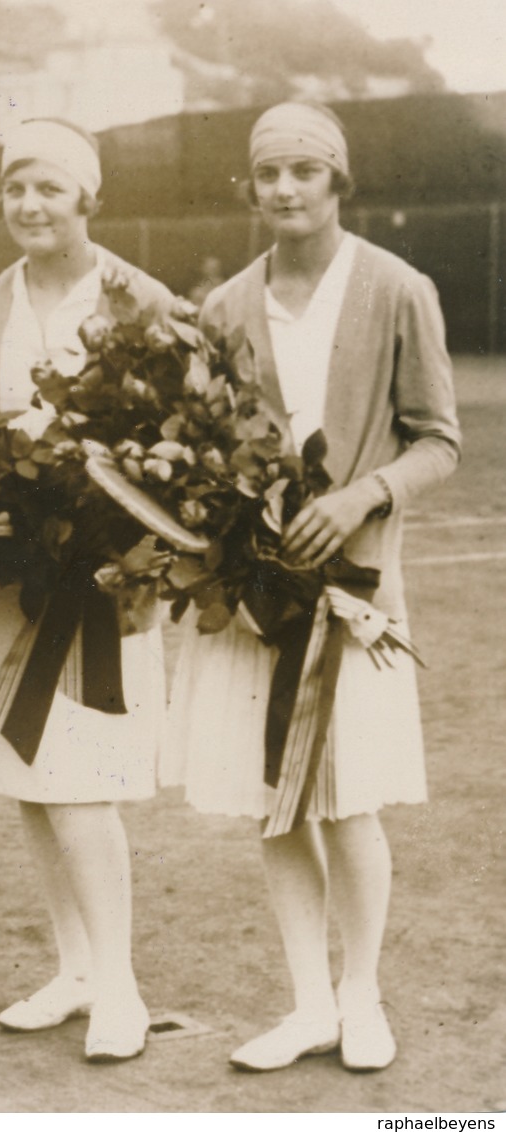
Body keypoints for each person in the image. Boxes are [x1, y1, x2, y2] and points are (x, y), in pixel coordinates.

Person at [161, 101, 461, 1074]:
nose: (283, 188)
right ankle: (304, 1004)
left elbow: (437, 441)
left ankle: (359, 994)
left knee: (347, 801)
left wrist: (361, 495)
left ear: (336, 180)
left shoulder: (397, 286)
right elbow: (205, 449)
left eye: (303, 170)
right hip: (254, 595)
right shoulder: (220, 308)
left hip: (356, 593)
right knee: (275, 802)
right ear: (246, 187)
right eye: (267, 172)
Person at [0, 118, 173, 1062]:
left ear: (87, 196)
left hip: (99, 590)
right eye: (14, 190)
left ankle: (119, 988)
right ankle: (74, 968)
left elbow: (175, 453)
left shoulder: (144, 303)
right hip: (4, 588)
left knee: (80, 788)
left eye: (48, 188)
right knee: (29, 786)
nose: (29, 206)